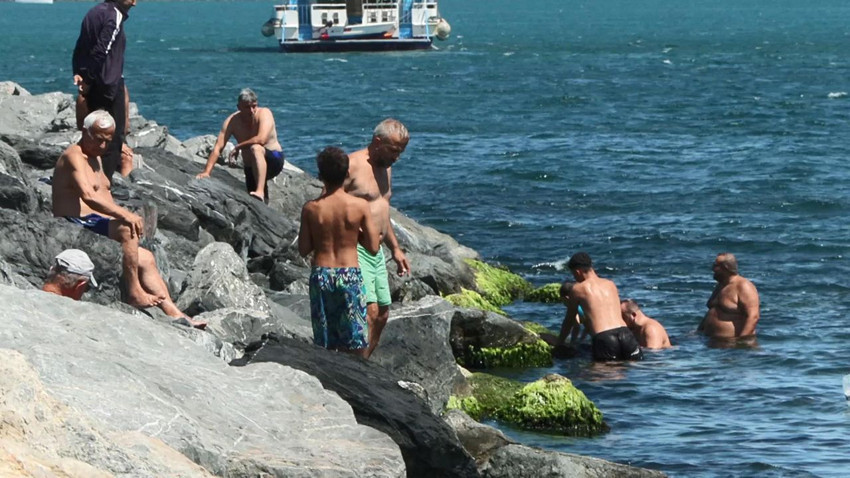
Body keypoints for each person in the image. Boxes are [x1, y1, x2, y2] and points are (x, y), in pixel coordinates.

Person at [52, 110, 206, 329]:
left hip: (96, 223)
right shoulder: (73, 156)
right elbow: (88, 195)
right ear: (84, 132)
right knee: (126, 227)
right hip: (74, 222)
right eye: (98, 139)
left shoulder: (95, 155)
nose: (103, 146)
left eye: (107, 141)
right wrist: (124, 214)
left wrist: (126, 170)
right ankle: (134, 292)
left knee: (147, 258)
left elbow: (104, 192)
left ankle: (175, 313)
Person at [298, 146, 380, 357]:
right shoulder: (360, 206)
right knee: (355, 340)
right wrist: (355, 234)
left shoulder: (311, 208)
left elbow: (303, 249)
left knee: (325, 341)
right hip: (349, 274)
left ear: (320, 175)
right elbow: (373, 247)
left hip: (322, 275)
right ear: (347, 174)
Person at [344, 118, 411, 359]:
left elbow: (382, 210)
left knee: (383, 313)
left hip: (378, 252)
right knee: (369, 311)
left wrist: (396, 249)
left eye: (401, 152)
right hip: (356, 249)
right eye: (394, 150)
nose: (397, 157)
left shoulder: (387, 168)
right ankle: (355, 365)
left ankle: (363, 362)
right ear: (377, 141)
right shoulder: (351, 165)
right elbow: (329, 203)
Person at [72, 0, 136, 181]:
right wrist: (90, 80)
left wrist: (78, 72)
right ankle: (103, 185)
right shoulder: (113, 14)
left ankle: (86, 177)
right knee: (112, 138)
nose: (135, 2)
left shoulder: (93, 12)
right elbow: (102, 50)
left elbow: (80, 46)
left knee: (93, 135)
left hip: (96, 84)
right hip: (107, 86)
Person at [196, 88, 285, 203]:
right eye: (247, 107)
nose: (252, 111)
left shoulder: (264, 113)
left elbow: (261, 139)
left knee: (256, 148)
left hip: (274, 159)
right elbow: (218, 147)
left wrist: (238, 147)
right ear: (239, 107)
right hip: (251, 167)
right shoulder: (232, 122)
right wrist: (207, 172)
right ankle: (262, 200)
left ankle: (260, 190)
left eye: (254, 106)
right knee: (256, 202)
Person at [556, 252, 642, 361]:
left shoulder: (578, 289)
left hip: (605, 338)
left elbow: (569, 320)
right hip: (626, 334)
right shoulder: (610, 284)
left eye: (574, 274)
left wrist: (559, 344)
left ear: (578, 272)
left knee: (602, 376)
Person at [699, 253, 760, 338]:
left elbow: (753, 317)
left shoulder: (743, 286)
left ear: (726, 268)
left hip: (731, 345)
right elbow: (713, 311)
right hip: (711, 341)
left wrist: (742, 340)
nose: (713, 269)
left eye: (715, 265)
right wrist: (698, 331)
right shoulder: (721, 285)